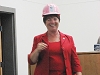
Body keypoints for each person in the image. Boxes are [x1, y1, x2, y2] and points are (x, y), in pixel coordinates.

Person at [28, 4, 82, 75]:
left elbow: (75, 61)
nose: (52, 22)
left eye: (55, 19)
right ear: (45, 22)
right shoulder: (38, 39)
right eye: (49, 19)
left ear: (59, 20)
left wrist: (78, 73)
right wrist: (37, 50)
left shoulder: (69, 39)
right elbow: (31, 61)